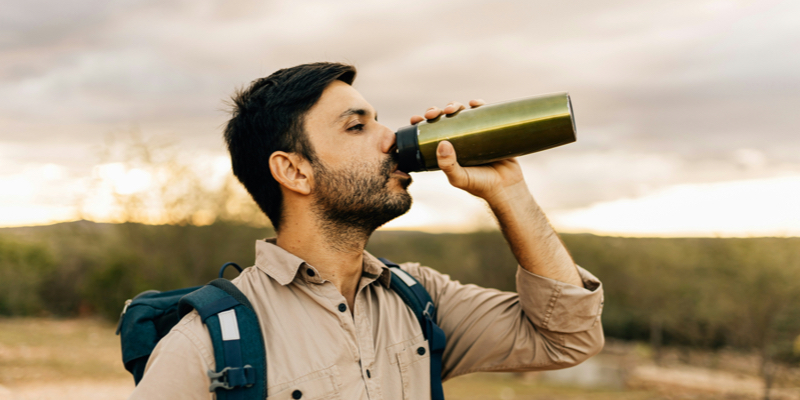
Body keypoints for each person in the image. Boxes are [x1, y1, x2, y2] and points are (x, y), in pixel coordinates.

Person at [129, 62, 604, 399]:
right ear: (294, 171)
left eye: (378, 120)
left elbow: (566, 337)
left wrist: (509, 191)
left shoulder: (419, 299)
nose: (390, 139)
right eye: (358, 127)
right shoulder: (209, 340)